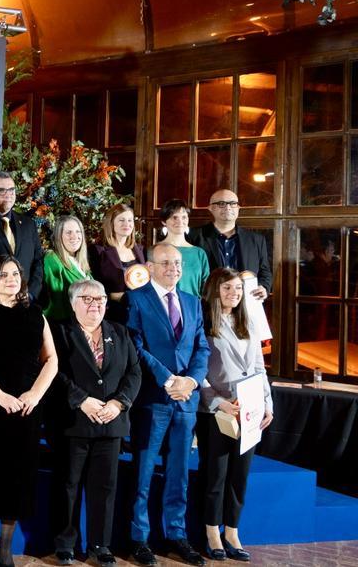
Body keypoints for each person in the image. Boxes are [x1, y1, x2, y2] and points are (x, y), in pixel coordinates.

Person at [0, 255, 58, 567]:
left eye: (15, 273)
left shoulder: (35, 313)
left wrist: (35, 394)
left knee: (18, 477)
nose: (11, 279)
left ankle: (5, 545)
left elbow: (51, 360)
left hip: (26, 409)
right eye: (3, 275)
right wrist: (0, 396)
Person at [123, 243, 211, 567]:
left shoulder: (192, 302)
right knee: (143, 473)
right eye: (166, 263)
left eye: (177, 263)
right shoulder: (137, 299)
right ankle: (139, 539)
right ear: (151, 266)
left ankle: (176, 535)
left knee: (179, 476)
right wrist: (168, 379)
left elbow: (202, 347)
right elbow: (135, 345)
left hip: (186, 402)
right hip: (153, 400)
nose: (173, 268)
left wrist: (190, 381)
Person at [50, 279, 141, 567]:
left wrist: (118, 403)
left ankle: (100, 544)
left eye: (100, 299)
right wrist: (81, 400)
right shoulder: (60, 332)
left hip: (110, 423)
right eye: (87, 299)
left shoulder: (120, 332)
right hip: (74, 422)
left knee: (105, 487)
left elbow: (134, 372)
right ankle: (65, 544)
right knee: (69, 485)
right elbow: (53, 372)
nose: (95, 304)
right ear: (74, 302)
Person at [197, 267, 274, 562]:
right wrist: (219, 402)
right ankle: (212, 532)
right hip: (219, 411)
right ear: (216, 290)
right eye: (228, 288)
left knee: (239, 476)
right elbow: (198, 372)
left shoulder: (249, 322)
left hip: (250, 411)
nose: (234, 294)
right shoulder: (204, 323)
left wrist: (267, 404)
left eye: (238, 290)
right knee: (215, 475)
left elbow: (257, 368)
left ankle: (232, 531)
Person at [188, 189, 273, 302]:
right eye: (221, 204)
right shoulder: (194, 237)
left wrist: (264, 287)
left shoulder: (256, 240)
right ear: (211, 208)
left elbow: (265, 271)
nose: (228, 208)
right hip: (208, 304)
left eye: (233, 204)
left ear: (238, 208)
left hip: (245, 303)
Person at [0, 171, 45, 302]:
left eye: (11, 190)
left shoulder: (28, 224)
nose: (8, 194)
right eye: (1, 190)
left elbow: (38, 261)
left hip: (26, 302)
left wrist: (31, 293)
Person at [89, 203, 146, 323]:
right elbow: (94, 285)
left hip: (139, 313)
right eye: (121, 220)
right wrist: (118, 297)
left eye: (130, 220)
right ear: (111, 223)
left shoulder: (140, 250)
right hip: (112, 314)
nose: (127, 224)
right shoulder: (98, 250)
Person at [157, 199, 210, 299]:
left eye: (184, 217)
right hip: (162, 308)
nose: (180, 221)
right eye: (174, 217)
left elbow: (206, 288)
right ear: (164, 221)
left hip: (193, 310)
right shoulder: (155, 250)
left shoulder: (199, 253)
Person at [42, 215, 91, 322]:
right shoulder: (52, 259)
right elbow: (56, 303)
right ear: (59, 236)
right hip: (65, 327)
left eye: (78, 232)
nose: (74, 236)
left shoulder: (81, 262)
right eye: (68, 232)